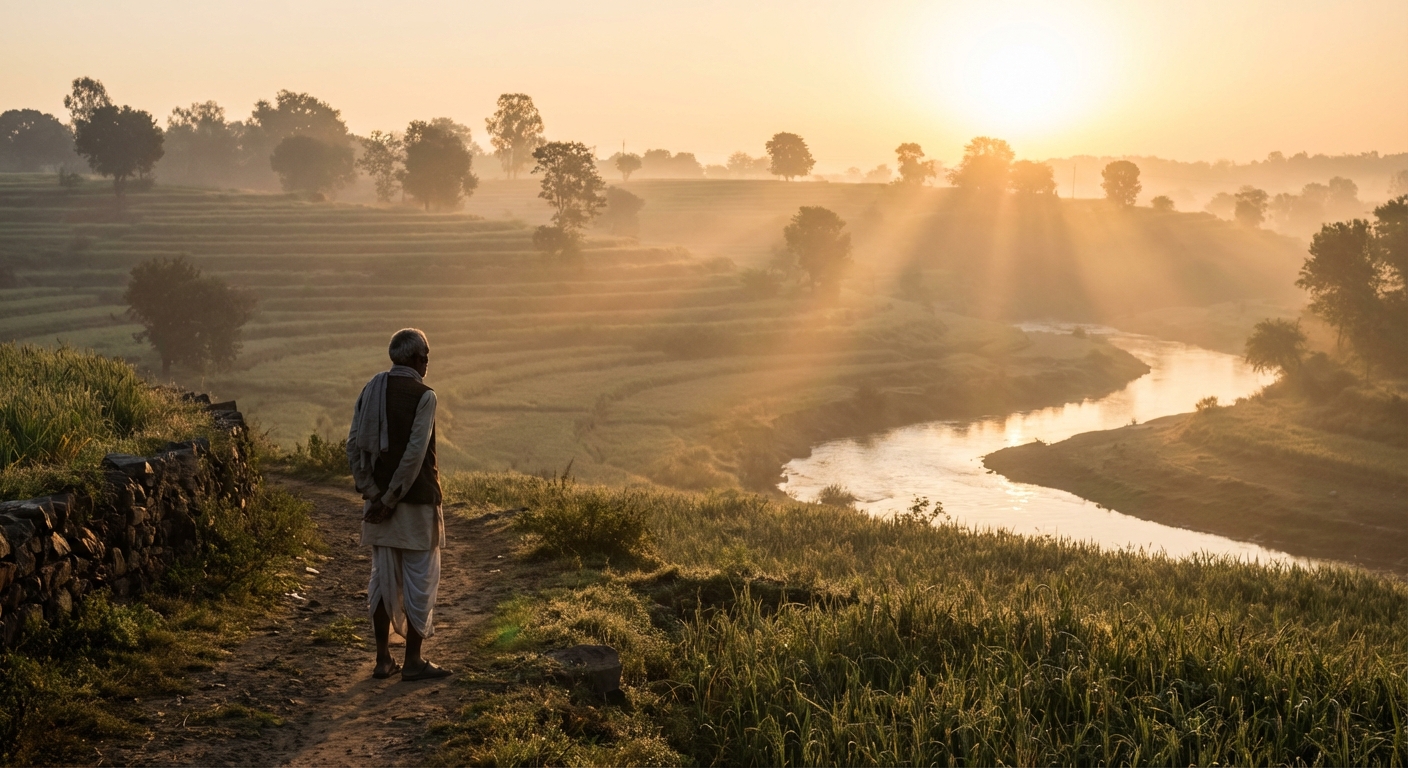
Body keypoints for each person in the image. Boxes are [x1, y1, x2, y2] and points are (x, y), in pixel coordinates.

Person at [346, 328, 451, 681]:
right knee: (420, 582)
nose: (426, 363)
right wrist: (391, 498)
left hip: (377, 504)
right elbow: (414, 457)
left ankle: (381, 659)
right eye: (425, 357)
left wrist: (373, 493)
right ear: (413, 359)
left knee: (382, 581)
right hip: (415, 502)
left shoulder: (371, 388)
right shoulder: (425, 396)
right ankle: (414, 662)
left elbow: (353, 444)